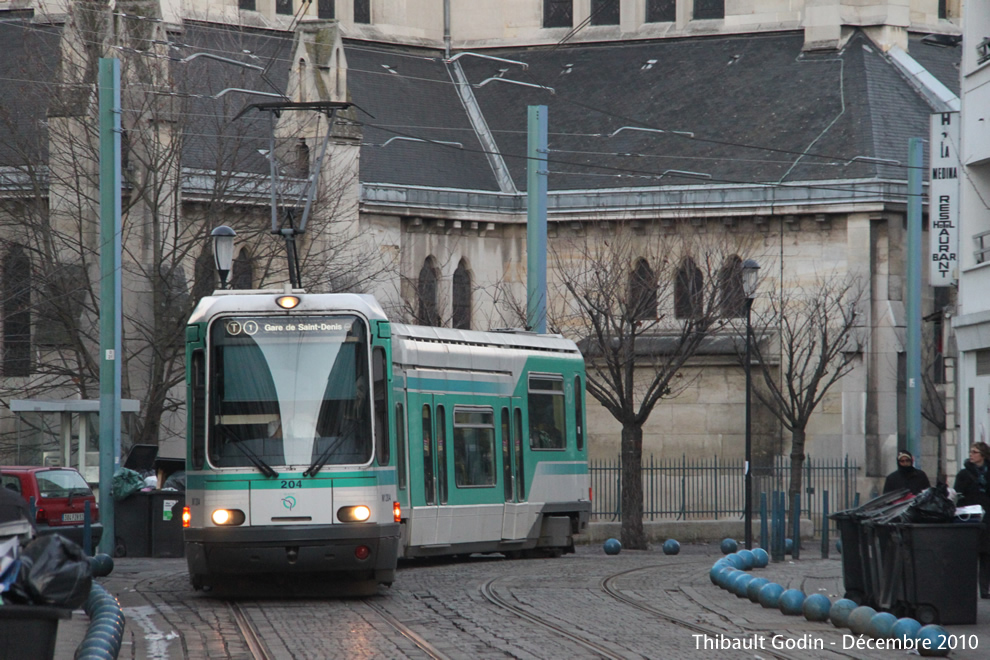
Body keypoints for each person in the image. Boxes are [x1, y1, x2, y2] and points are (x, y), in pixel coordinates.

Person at [953, 441, 990, 599]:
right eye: (971, 451)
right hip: (970, 517)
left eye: (975, 452)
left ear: (983, 455)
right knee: (969, 554)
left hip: (987, 516)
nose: (971, 454)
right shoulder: (964, 473)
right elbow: (957, 494)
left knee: (987, 554)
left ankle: (984, 589)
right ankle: (965, 589)